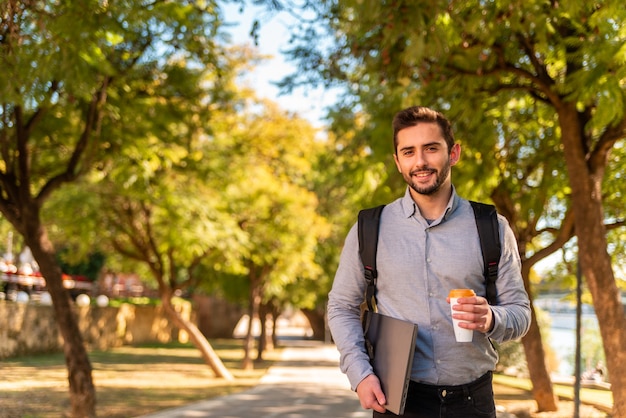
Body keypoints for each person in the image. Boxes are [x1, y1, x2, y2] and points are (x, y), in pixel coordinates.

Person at [327, 106, 531, 417]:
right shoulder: (370, 228)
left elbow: (520, 313)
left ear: (454, 153)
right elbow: (341, 306)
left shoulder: (492, 226)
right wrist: (360, 373)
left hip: (473, 402)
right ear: (398, 161)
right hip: (398, 400)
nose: (420, 161)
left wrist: (491, 318)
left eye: (431, 148)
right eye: (408, 152)